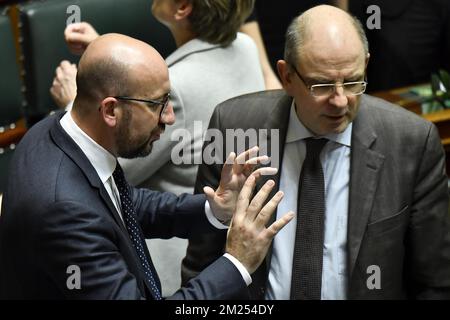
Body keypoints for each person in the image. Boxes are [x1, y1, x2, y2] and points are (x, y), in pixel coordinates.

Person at [182, 5, 450, 299]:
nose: (339, 101)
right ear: (286, 76)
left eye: (352, 82)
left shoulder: (411, 142)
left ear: (366, 64)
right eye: (321, 85)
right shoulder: (234, 128)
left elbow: (435, 281)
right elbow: (201, 265)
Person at [0, 34, 294, 299]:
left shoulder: (57, 129)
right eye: (157, 104)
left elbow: (122, 202)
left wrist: (214, 209)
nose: (168, 117)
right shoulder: (65, 214)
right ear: (111, 110)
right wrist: (236, 262)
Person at [51, 0, 265, 296]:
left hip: (168, 265)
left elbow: (103, 172)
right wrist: (104, 52)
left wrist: (73, 102)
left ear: (182, 9)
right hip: (215, 242)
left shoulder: (173, 89)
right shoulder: (245, 46)